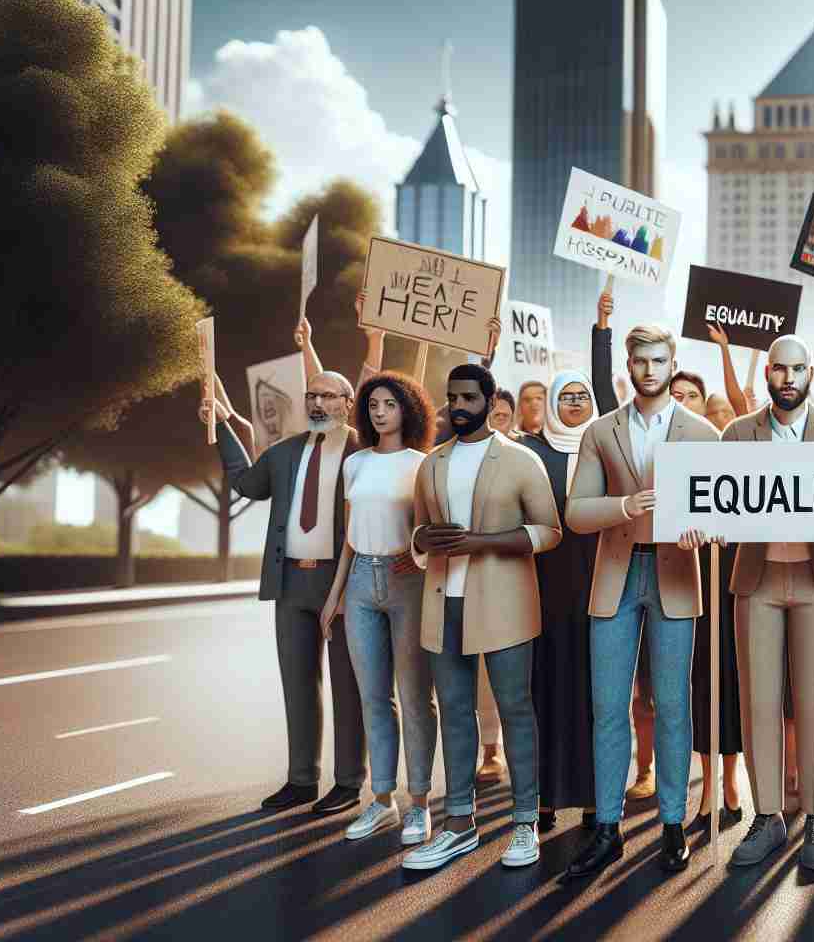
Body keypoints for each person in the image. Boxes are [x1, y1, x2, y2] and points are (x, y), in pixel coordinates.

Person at [564, 325, 722, 878]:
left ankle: (673, 824)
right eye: (640, 361)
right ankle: (607, 828)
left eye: (659, 361)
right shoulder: (600, 432)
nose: (650, 370)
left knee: (673, 706)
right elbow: (576, 512)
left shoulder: (703, 432)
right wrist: (625, 504)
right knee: (609, 706)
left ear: (672, 361)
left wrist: (705, 529)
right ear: (627, 366)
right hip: (616, 572)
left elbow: (723, 513)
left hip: (677, 574)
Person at [401, 364, 562, 872]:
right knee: (453, 710)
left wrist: (484, 543)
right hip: (444, 598)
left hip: (505, 602)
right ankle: (459, 826)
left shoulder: (520, 460)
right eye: (452, 398)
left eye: (469, 397)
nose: (459, 406)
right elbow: (418, 533)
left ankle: (523, 823)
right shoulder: (431, 464)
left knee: (515, 707)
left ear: (491, 401)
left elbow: (549, 531)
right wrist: (422, 541)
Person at [719, 335, 814, 872]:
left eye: (798, 369)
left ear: (810, 376)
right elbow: (716, 505)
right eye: (780, 369)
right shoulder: (737, 435)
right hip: (755, 578)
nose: (789, 378)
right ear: (768, 375)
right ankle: (769, 815)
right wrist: (700, 526)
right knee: (759, 703)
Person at [207, 364, 367, 817]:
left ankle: (350, 781)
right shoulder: (285, 453)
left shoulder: (364, 452)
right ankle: (302, 780)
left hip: (344, 581)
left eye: (329, 397)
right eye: (312, 396)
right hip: (290, 581)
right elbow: (246, 483)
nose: (318, 404)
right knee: (298, 683)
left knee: (348, 684)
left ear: (348, 403)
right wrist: (220, 426)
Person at [317, 372, 437, 847]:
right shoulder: (356, 464)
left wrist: (419, 554)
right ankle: (382, 800)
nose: (379, 412)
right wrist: (335, 595)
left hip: (408, 580)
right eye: (372, 406)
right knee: (373, 698)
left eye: (388, 404)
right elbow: (350, 535)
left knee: (413, 697)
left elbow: (429, 530)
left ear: (407, 409)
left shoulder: (422, 464)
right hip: (361, 582)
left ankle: (420, 804)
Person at [516, 370, 605, 834]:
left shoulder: (606, 450)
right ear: (551, 402)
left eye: (582, 395)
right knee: (544, 693)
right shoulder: (531, 453)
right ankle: (545, 798)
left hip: (600, 589)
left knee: (596, 696)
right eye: (565, 396)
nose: (574, 402)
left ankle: (595, 800)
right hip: (544, 591)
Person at [665, 366, 746, 824]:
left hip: (727, 582)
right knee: (696, 687)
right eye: (676, 394)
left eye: (691, 394)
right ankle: (706, 786)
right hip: (682, 583)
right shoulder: (662, 456)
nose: (683, 400)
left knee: (728, 683)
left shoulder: (732, 452)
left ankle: (732, 783)